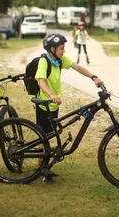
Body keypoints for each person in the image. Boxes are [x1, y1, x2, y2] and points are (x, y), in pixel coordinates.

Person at [34, 33, 104, 184]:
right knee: (44, 137)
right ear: (52, 49)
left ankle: (43, 166)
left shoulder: (59, 60)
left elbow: (77, 67)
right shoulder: (44, 61)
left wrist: (93, 77)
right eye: (61, 48)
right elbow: (41, 82)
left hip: (54, 104)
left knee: (50, 135)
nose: (64, 50)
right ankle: (42, 170)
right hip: (44, 104)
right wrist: (52, 94)